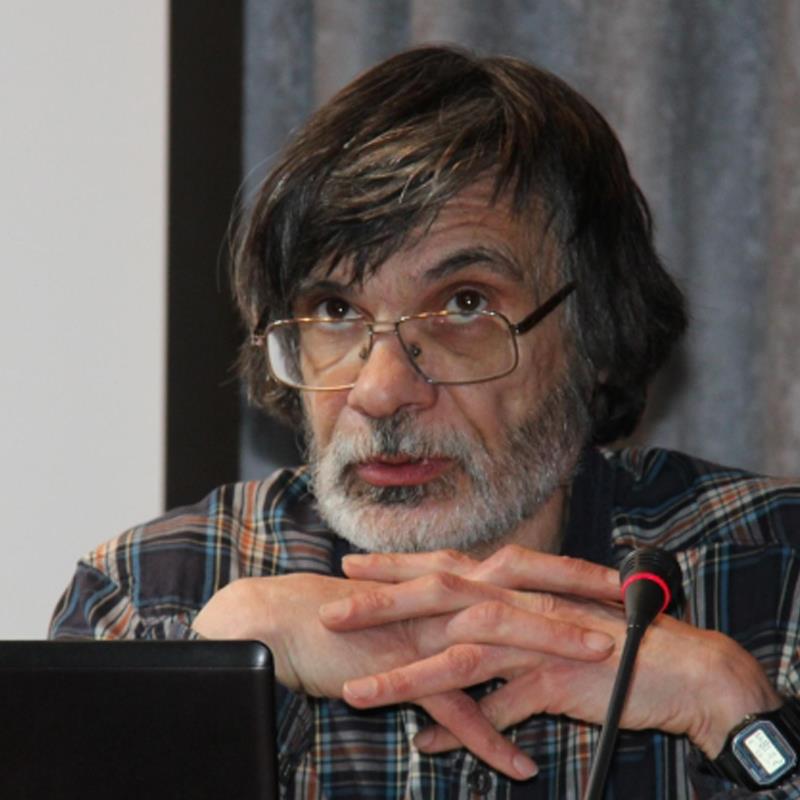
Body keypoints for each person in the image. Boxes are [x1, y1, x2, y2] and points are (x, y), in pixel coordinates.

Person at [51, 46, 800, 799]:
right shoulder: (157, 600)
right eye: (335, 311)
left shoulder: (775, 575)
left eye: (465, 304)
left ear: (596, 336)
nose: (381, 391)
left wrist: (735, 712)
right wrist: (211, 678)